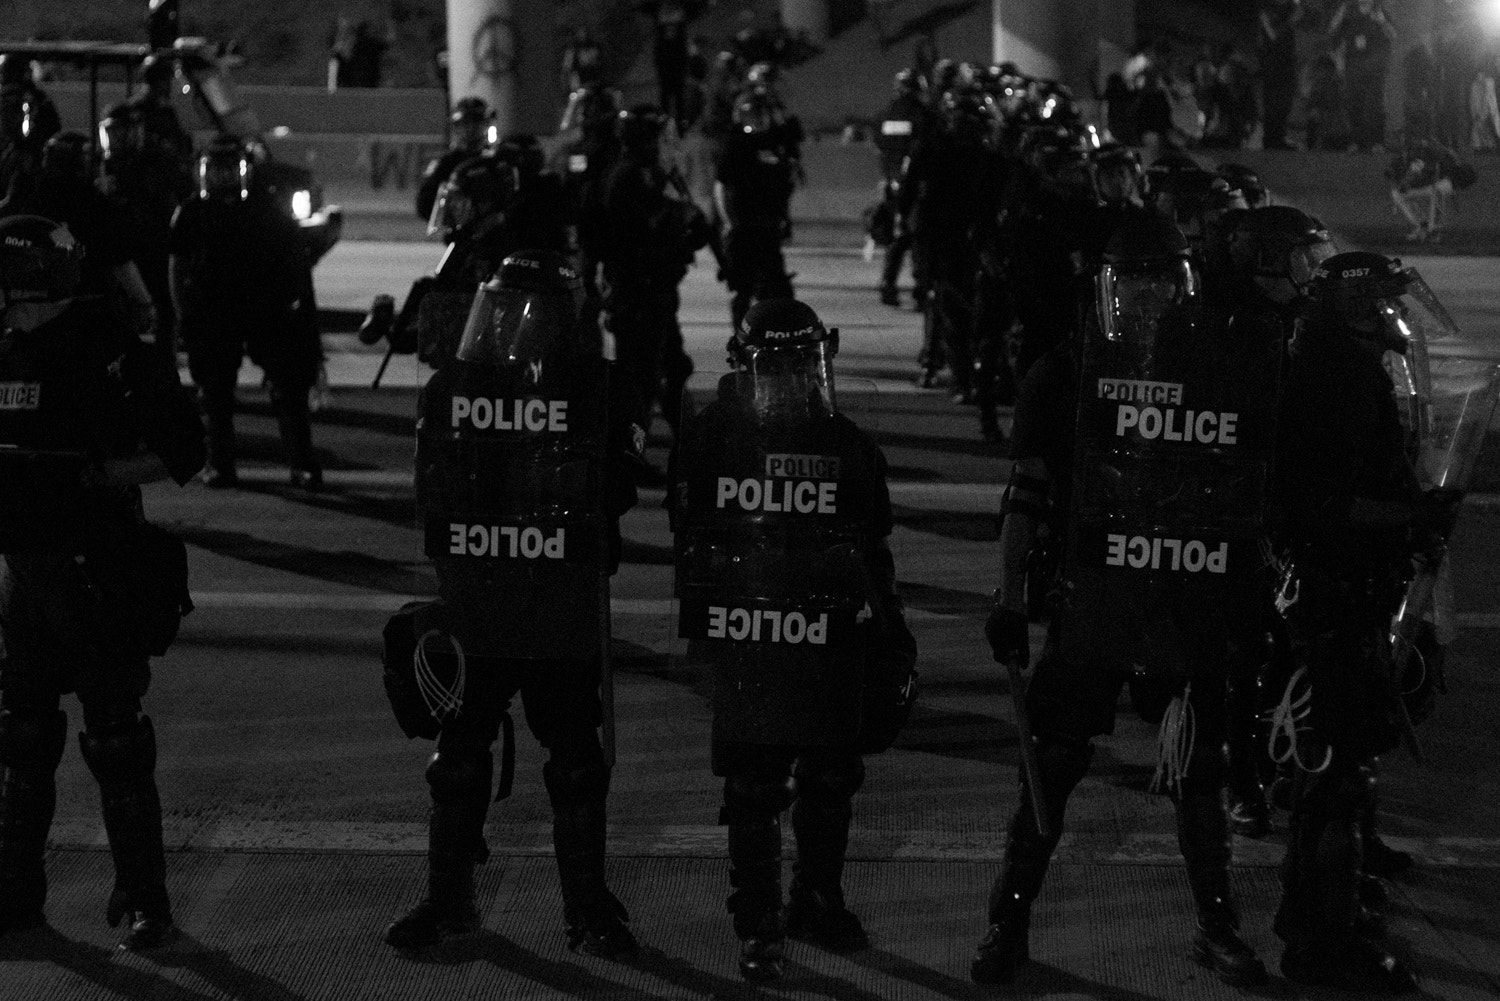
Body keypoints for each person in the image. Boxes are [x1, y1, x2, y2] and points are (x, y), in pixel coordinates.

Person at [972, 216, 1272, 989]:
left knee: (1199, 769)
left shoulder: (1215, 369)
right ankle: (1007, 922)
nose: (1145, 304)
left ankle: (1216, 922)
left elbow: (1241, 489)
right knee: (1052, 766)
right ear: (1106, 292)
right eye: (1131, 287)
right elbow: (1026, 496)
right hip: (1095, 596)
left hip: (1182, 593)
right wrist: (1009, 597)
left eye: (1161, 286)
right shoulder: (1064, 373)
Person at [384, 250, 643, 958]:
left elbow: (621, 483)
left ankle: (588, 909)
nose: (514, 328)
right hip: (479, 591)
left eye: (529, 316)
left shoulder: (598, 386)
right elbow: (430, 486)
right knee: (459, 756)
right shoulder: (453, 386)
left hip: (558, 596)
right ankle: (448, 900)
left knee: (576, 760)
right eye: (501, 313)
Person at [670, 298, 916, 981]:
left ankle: (816, 896)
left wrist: (891, 630)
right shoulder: (713, 438)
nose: (789, 382)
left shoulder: (847, 446)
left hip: (825, 630)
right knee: (753, 783)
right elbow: (690, 541)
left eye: (802, 366)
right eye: (775, 368)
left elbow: (873, 548)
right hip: (751, 632)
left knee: (832, 774)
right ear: (747, 369)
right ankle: (758, 924)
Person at [0, 213, 206, 950]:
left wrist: (103, 474)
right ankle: (17, 896)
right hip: (26, 569)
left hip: (97, 564)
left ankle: (147, 899)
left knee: (116, 738)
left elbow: (186, 447)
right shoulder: (10, 346)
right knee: (22, 736)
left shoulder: (109, 346)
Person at [1269, 251, 1446, 992]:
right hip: (1337, 592)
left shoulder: (1337, 364)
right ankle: (1323, 942)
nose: (1388, 317)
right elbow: (1328, 501)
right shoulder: (1334, 379)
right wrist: (1412, 513)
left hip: (1351, 587)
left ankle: (1304, 912)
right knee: (1338, 770)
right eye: (1375, 303)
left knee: (1337, 769)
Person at [1216, 206, 1338, 837]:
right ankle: (1239, 774)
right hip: (1244, 513)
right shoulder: (1229, 326)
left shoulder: (1307, 324)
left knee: (1308, 643)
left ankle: (1295, 764)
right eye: (1300, 259)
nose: (1310, 273)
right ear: (1266, 261)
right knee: (1243, 649)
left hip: (1301, 508)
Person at [168, 136, 323, 489]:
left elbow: (294, 260)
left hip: (265, 310)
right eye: (216, 171)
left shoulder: (266, 207)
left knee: (289, 389)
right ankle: (220, 464)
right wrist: (184, 314)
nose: (222, 179)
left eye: (229, 171)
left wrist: (295, 309)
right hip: (214, 313)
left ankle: (303, 463)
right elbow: (176, 267)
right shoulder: (192, 212)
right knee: (216, 394)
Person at [594, 104, 706, 475]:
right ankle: (627, 457)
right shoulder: (627, 177)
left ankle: (692, 450)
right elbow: (646, 228)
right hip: (637, 295)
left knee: (673, 369)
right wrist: (681, 220)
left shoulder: (650, 174)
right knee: (638, 382)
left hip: (656, 292)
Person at [712, 84, 801, 332]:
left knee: (775, 288)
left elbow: (782, 185)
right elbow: (721, 187)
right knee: (743, 288)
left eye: (764, 114)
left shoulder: (773, 143)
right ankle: (741, 338)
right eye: (755, 114)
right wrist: (729, 223)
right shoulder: (735, 144)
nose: (761, 119)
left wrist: (783, 217)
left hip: (767, 225)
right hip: (743, 227)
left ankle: (774, 335)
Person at [873, 69, 931, 308]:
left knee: (896, 237)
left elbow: (880, 146)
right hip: (915, 185)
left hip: (890, 181)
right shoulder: (923, 116)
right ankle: (920, 289)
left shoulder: (884, 116)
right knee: (917, 236)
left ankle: (888, 284)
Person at [1329, 0, 1397, 151]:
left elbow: (1392, 35)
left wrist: (1382, 21)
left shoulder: (1381, 11)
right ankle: (1356, 141)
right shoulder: (1349, 12)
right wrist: (1340, 13)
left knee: (1375, 103)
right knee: (1354, 103)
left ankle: (1377, 142)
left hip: (1376, 65)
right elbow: (1334, 33)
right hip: (1354, 63)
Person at [415, 97, 496, 223]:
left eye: (476, 123)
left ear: (486, 125)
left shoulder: (496, 160)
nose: (471, 129)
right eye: (466, 124)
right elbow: (425, 204)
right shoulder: (446, 162)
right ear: (456, 127)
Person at [1259, 0, 1305, 149]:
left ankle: (1279, 137)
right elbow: (1273, 35)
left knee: (1285, 102)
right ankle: (1270, 139)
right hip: (1272, 64)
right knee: (1273, 102)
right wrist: (1292, 20)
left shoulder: (1290, 8)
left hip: (1287, 63)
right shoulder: (1267, 10)